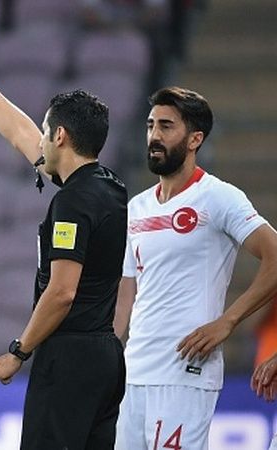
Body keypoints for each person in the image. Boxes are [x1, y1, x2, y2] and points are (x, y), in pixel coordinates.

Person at [0, 38, 128, 449]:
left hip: (69, 359)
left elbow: (62, 292)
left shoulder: (72, 202)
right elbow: (20, 134)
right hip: (104, 355)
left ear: (62, 136)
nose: (42, 140)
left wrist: (18, 350)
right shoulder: (108, 187)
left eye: (47, 132)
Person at [111, 86, 277, 449]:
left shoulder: (218, 197)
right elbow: (128, 287)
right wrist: (109, 350)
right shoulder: (137, 208)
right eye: (151, 125)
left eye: (167, 126)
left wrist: (228, 321)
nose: (154, 136)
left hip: (185, 371)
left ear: (194, 139)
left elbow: (274, 256)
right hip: (135, 370)